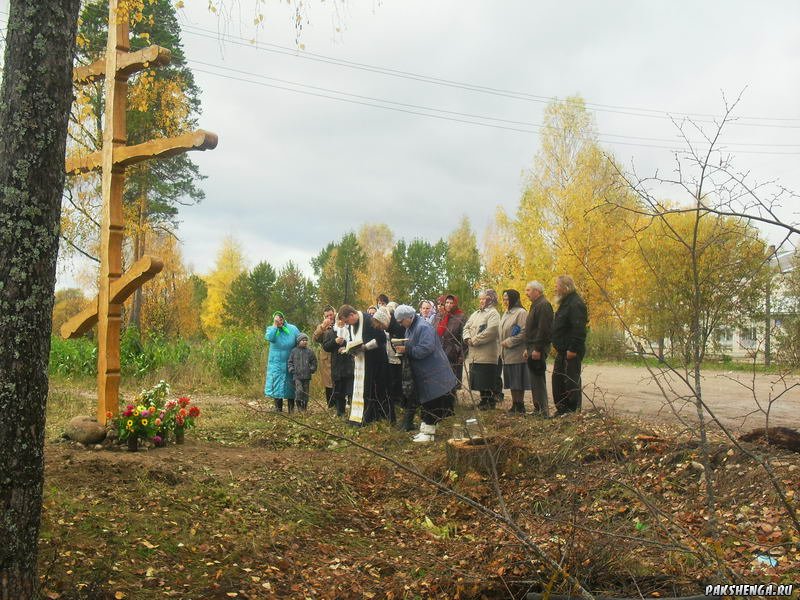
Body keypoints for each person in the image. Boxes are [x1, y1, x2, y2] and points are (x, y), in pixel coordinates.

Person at [394, 305, 457, 442]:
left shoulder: (423, 327)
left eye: (401, 321)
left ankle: (429, 434)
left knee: (432, 402)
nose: (400, 324)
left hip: (434, 372)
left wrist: (407, 349)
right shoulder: (410, 327)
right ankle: (425, 430)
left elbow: (426, 349)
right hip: (424, 372)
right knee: (426, 401)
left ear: (409, 317)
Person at [338, 304, 391, 425]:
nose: (348, 324)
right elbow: (352, 341)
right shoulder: (352, 326)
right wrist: (349, 350)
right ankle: (360, 416)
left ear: (352, 315)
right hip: (361, 361)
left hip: (376, 361)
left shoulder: (368, 320)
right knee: (361, 389)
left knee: (371, 389)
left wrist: (365, 347)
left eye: (347, 321)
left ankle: (371, 416)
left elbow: (382, 339)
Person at [551, 275, 588, 414]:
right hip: (562, 351)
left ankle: (572, 412)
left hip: (571, 352)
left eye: (557, 285)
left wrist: (572, 349)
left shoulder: (575, 304)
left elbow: (579, 329)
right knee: (558, 381)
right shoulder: (565, 303)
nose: (555, 288)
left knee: (571, 382)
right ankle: (562, 410)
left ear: (566, 287)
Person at [463, 289, 501, 410]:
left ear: (491, 299)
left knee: (486, 379)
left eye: (484, 298)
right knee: (479, 380)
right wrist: (467, 338)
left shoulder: (493, 313)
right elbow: (466, 327)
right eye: (480, 299)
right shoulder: (475, 314)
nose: (481, 301)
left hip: (487, 354)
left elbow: (492, 331)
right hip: (475, 354)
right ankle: (483, 400)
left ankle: (490, 401)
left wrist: (474, 340)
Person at [523, 281, 553, 416]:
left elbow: (544, 329)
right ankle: (538, 409)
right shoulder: (536, 305)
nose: (526, 293)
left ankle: (543, 411)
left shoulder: (544, 305)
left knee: (538, 379)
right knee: (534, 380)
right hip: (532, 346)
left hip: (538, 347)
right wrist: (527, 348)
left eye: (528, 290)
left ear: (537, 291)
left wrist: (537, 349)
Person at [499, 289, 529, 414]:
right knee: (511, 379)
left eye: (507, 299)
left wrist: (510, 341)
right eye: (504, 299)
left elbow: (524, 332)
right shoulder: (506, 312)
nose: (505, 301)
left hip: (517, 352)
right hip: (506, 353)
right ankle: (514, 404)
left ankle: (520, 405)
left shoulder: (521, 312)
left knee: (518, 379)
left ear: (513, 298)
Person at [264, 311, 301, 413]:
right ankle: (278, 409)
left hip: (290, 362)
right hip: (276, 363)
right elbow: (269, 338)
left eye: (281, 319)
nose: (279, 321)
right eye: (277, 320)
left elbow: (301, 340)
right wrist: (275, 326)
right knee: (277, 385)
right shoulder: (271, 329)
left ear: (284, 319)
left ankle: (291, 410)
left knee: (290, 386)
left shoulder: (292, 329)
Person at [322, 316, 354, 418]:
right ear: (336, 321)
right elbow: (326, 347)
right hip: (337, 366)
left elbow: (355, 343)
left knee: (350, 390)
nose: (340, 322)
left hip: (349, 365)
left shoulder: (350, 330)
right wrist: (334, 342)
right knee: (339, 391)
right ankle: (340, 413)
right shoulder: (330, 332)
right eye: (338, 320)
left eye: (342, 320)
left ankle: (354, 413)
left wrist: (346, 347)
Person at [434, 294, 466, 388]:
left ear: (455, 304)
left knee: (452, 380)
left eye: (451, 303)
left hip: (453, 353)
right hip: (439, 352)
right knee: (440, 380)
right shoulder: (439, 316)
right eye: (447, 302)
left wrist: (462, 354)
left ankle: (452, 401)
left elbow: (464, 338)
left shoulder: (461, 317)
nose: (448, 305)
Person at [313, 306, 336, 407]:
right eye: (327, 316)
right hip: (326, 359)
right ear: (324, 316)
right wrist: (323, 327)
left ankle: (340, 405)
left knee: (338, 380)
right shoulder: (321, 326)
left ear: (334, 313)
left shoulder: (340, 323)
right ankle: (330, 405)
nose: (329, 317)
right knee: (328, 382)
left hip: (338, 356)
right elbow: (315, 338)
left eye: (331, 315)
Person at [288, 333, 317, 411]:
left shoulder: (310, 352)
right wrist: (292, 369)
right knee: (299, 390)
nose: (305, 342)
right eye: (303, 340)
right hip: (297, 376)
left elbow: (314, 362)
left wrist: (312, 369)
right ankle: (299, 405)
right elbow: (290, 362)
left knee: (306, 392)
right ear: (298, 341)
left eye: (306, 340)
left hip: (306, 376)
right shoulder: (294, 351)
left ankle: (304, 408)